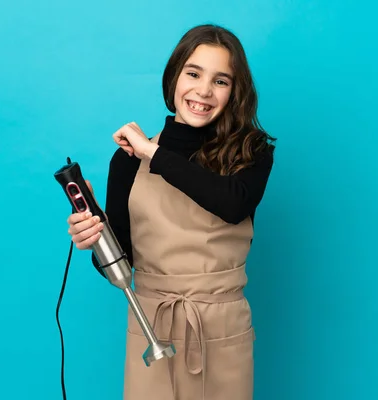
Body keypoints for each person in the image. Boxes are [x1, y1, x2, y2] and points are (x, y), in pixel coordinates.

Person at [66, 24, 276, 400]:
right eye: (193, 73)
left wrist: (153, 154)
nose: (203, 91)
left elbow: (232, 204)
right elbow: (122, 259)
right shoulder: (127, 161)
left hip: (220, 329)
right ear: (174, 76)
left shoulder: (251, 151)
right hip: (151, 326)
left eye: (221, 81)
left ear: (235, 91)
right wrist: (94, 239)